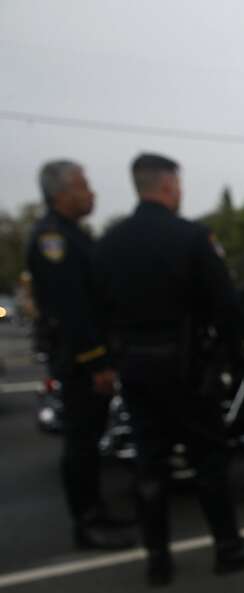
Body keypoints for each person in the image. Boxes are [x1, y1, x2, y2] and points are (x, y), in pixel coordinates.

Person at [94, 153, 244, 586]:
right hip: (188, 370)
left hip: (136, 370)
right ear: (169, 185)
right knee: (210, 462)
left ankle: (158, 559)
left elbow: (98, 308)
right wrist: (235, 357)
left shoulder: (109, 242)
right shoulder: (192, 237)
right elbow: (226, 305)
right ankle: (227, 547)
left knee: (149, 466)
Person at [26, 160, 134, 550]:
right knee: (81, 443)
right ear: (61, 194)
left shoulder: (72, 234)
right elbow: (73, 308)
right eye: (84, 186)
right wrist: (96, 361)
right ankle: (87, 524)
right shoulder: (53, 239)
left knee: (90, 441)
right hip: (79, 360)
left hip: (86, 355)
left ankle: (97, 512)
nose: (92, 193)